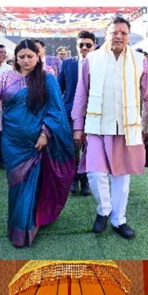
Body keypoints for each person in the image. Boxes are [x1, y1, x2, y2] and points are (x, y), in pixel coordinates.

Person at [0, 39, 75, 248]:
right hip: (11, 140)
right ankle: (18, 224)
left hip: (36, 141)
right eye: (21, 56)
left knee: (32, 182)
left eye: (30, 56)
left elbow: (55, 109)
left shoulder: (46, 78)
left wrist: (45, 133)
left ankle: (26, 227)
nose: (25, 60)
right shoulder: (5, 77)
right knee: (15, 183)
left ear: (37, 57)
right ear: (16, 57)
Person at [72, 17, 148, 240]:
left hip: (126, 127)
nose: (118, 36)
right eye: (114, 32)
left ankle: (118, 219)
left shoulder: (140, 60)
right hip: (96, 126)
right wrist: (77, 125)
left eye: (123, 32)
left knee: (121, 176)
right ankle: (104, 209)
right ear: (107, 34)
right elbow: (81, 93)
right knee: (94, 173)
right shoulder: (91, 59)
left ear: (129, 36)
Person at [57, 30, 97, 196]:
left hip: (94, 113)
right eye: (81, 45)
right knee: (73, 148)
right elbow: (59, 87)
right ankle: (73, 178)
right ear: (76, 46)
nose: (85, 48)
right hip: (71, 113)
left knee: (90, 148)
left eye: (88, 45)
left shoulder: (101, 63)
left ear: (94, 46)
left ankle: (85, 180)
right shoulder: (67, 63)